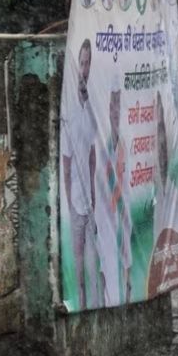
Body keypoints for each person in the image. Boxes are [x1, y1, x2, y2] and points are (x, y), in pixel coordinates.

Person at [61, 39, 99, 309]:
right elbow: (66, 164)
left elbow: (92, 154)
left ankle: (92, 304)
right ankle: (80, 304)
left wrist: (94, 193)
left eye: (88, 63)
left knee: (92, 259)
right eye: (81, 63)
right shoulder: (70, 112)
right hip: (75, 199)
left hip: (89, 201)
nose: (84, 69)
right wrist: (70, 201)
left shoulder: (90, 111)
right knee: (78, 259)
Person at [96, 86, 134, 304]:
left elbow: (123, 179)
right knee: (105, 261)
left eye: (119, 107)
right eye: (113, 106)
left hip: (121, 211)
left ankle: (127, 297)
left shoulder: (123, 143)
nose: (116, 112)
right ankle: (107, 300)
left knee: (126, 258)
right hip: (106, 213)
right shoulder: (103, 143)